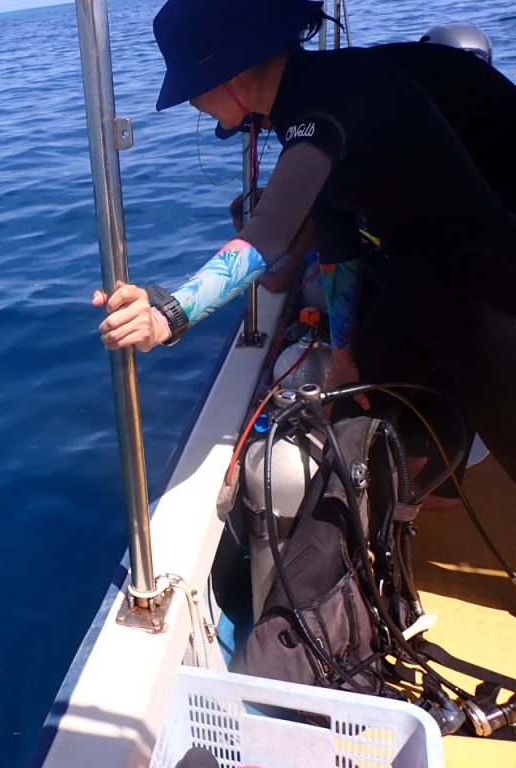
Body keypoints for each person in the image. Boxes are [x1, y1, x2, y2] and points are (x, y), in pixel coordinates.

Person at [92, 0, 516, 485]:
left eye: (193, 91)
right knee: (354, 399)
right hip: (421, 274)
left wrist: (168, 313)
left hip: (485, 282)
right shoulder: (306, 102)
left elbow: (269, 232)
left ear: (230, 74)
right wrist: (342, 354)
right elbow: (337, 245)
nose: (194, 105)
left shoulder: (324, 100)